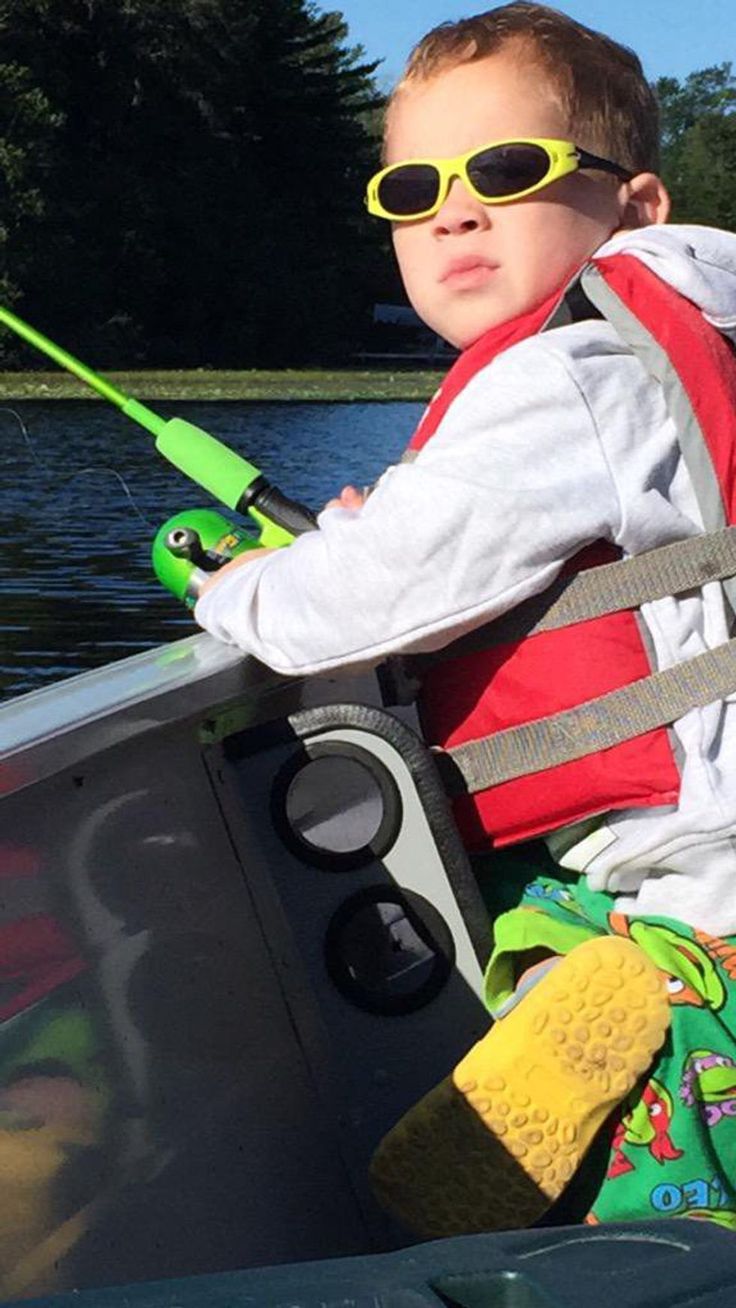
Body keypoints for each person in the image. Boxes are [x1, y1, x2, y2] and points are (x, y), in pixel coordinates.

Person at [194, 2, 736, 1233]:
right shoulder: (689, 337)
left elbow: (342, 609)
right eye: (410, 189)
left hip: (698, 906)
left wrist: (236, 589)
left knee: (659, 1246)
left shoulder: (569, 367)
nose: (452, 210)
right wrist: (376, 528)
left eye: (505, 171)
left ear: (636, 208)